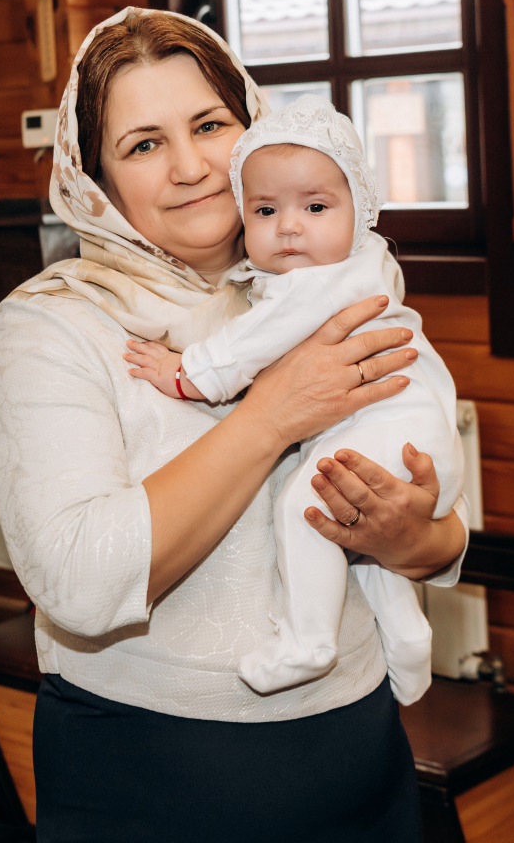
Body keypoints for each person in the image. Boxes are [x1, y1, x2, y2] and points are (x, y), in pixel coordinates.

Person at [0, 7, 468, 841]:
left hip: (359, 750)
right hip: (153, 775)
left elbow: (439, 541)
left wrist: (414, 537)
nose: (192, 166)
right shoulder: (51, 325)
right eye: (144, 144)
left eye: (209, 125)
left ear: (252, 129)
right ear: (96, 178)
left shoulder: (321, 284)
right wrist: (272, 413)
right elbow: (81, 587)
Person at [123, 95, 461, 706]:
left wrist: (184, 373)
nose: (289, 227)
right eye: (265, 209)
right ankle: (408, 634)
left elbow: (246, 347)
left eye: (314, 207)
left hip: (389, 424)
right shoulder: (365, 261)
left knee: (304, 511)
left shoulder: (310, 285)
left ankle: (308, 642)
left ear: (359, 211)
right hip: (414, 433)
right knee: (352, 531)